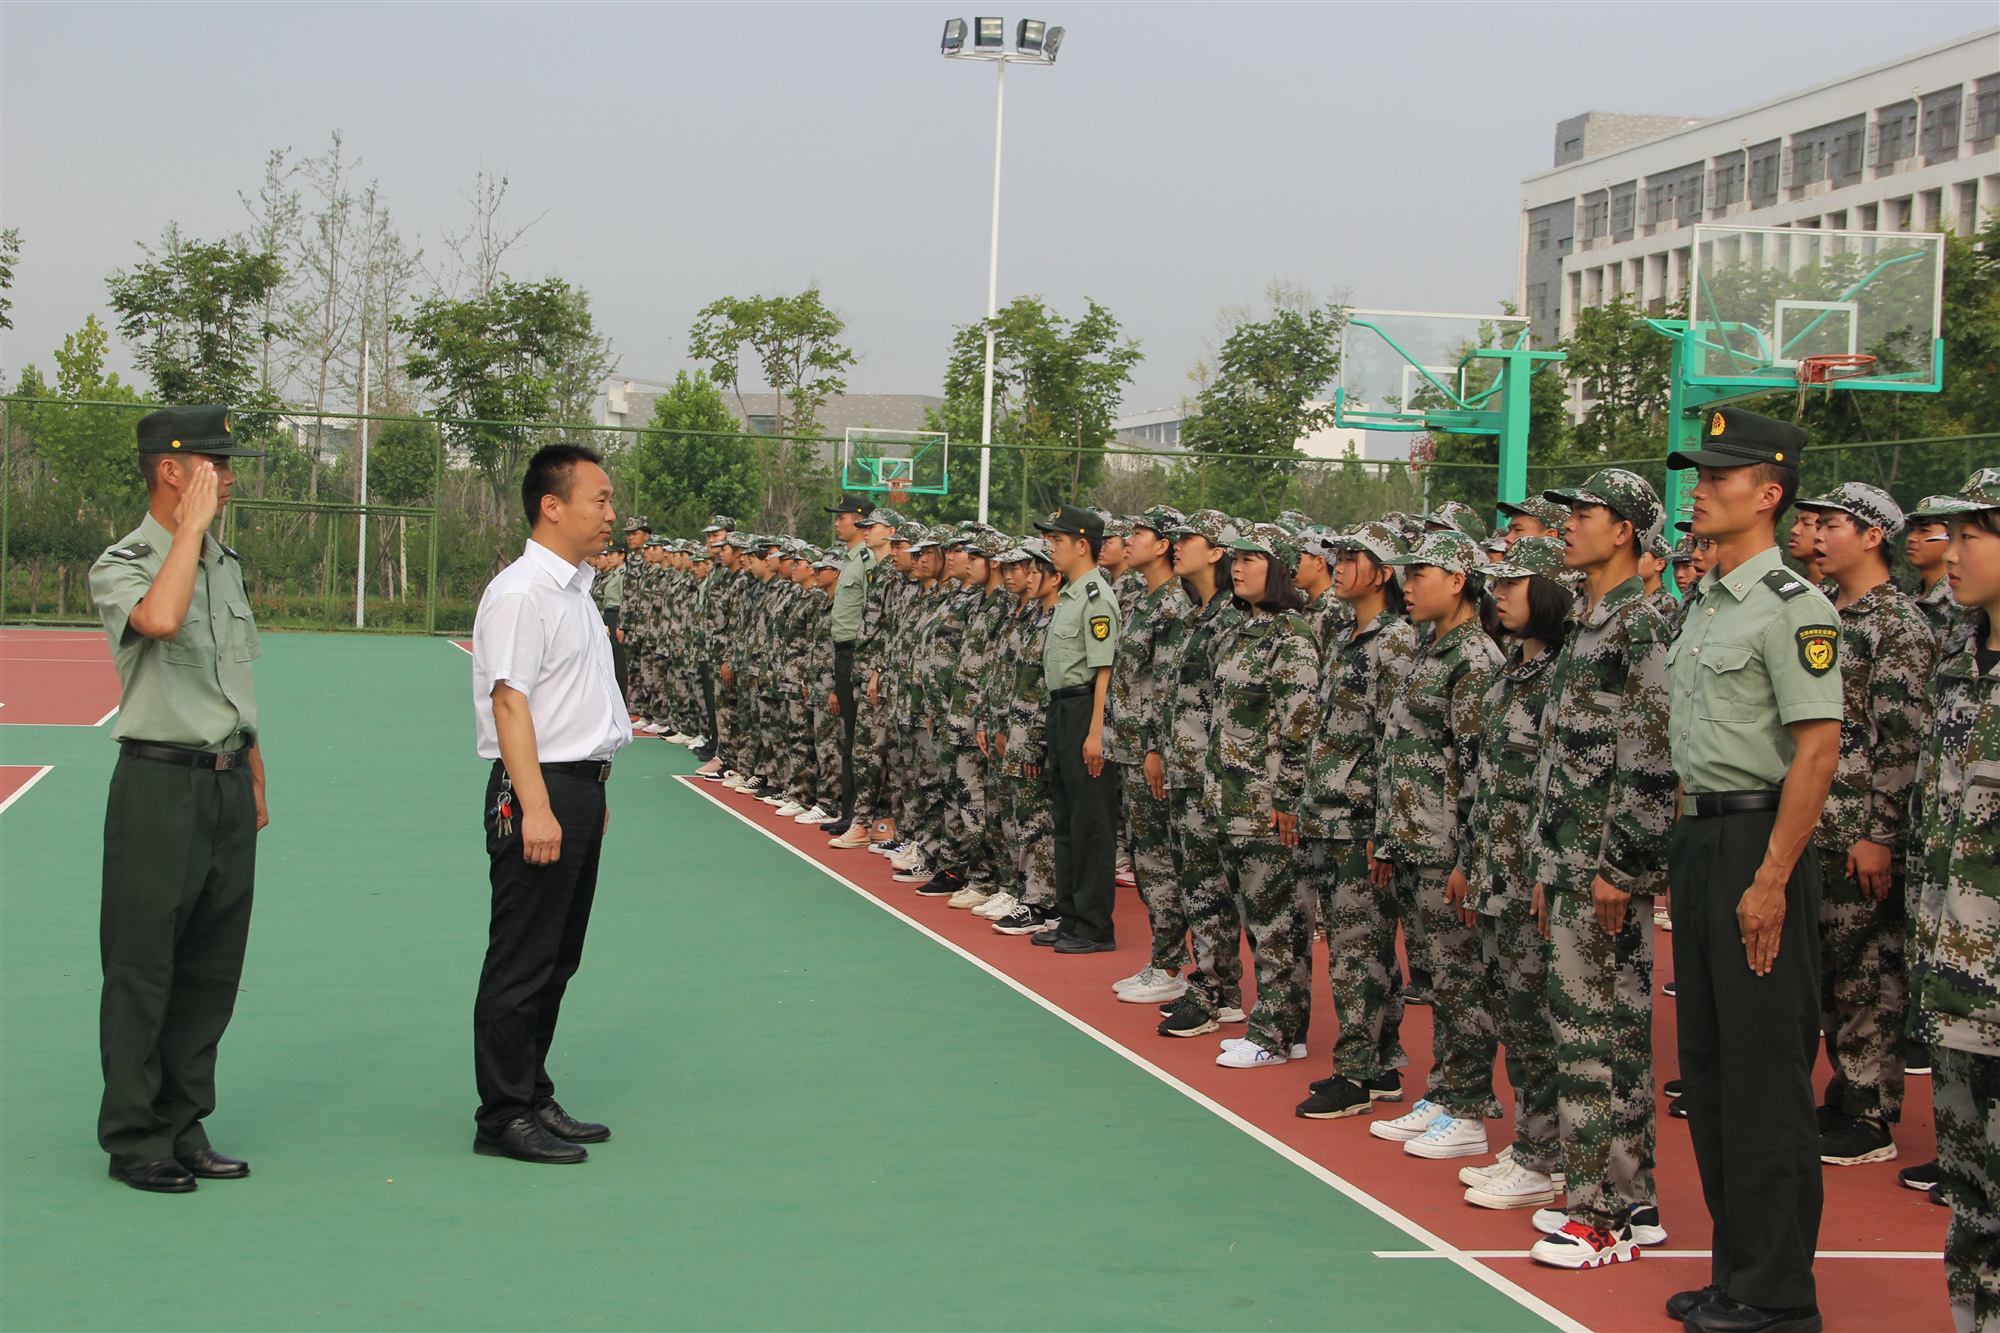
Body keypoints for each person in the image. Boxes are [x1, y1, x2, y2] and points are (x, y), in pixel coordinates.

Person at [1662, 406, 1843, 1333]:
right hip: (1700, 838)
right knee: (1710, 1067)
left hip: (1758, 842)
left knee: (1767, 1072)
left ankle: (1777, 1292)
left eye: (1719, 475)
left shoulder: (1794, 607)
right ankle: (1736, 1270)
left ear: (1768, 493)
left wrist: (1771, 877)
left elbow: (1815, 751)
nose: (1701, 487)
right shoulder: (1708, 601)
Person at [88, 405, 269, 1194]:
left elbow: (232, 676)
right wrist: (187, 532)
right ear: (172, 469)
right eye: (215, 463)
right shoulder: (124, 560)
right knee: (143, 966)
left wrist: (255, 767)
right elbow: (159, 619)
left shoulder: (224, 563)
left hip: (226, 783)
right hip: (158, 785)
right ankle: (134, 1135)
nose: (229, 477)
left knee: (209, 968)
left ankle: (183, 1122)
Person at [1523, 469, 1677, 1269]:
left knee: (1595, 1039)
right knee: (1604, 1032)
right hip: (1574, 860)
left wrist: (1621, 865)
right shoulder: (1589, 618)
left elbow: (1650, 758)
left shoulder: (1641, 623)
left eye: (1582, 513)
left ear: (1624, 529)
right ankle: (1630, 1193)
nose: (1568, 525)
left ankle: (1599, 1214)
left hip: (1605, 866)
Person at [468, 443, 630, 1165]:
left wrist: (591, 792)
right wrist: (537, 804)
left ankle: (532, 1091)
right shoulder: (523, 591)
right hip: (540, 787)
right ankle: (502, 1113)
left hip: (576, 788)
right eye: (599, 498)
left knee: (558, 958)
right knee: (522, 959)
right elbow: (511, 703)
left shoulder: (575, 591)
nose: (610, 512)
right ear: (551, 505)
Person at [1795, 484, 1936, 1171]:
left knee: (1868, 972)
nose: (1818, 535)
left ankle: (1870, 1109)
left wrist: (1881, 831)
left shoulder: (1897, 625)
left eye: (1832, 525)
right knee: (1828, 971)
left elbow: (1901, 740)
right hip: (1818, 825)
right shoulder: (1827, 613)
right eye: (1815, 524)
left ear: (1873, 535)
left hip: (1859, 830)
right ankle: (1844, 1091)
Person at [1368, 529, 1504, 1161]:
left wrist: (1466, 860)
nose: (1408, 584)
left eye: (1421, 573)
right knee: (1442, 978)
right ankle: (1446, 1091)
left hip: (1447, 846)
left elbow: (1478, 769)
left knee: (1461, 979)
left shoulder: (1474, 660)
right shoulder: (1431, 649)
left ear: (1458, 582)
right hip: (1415, 839)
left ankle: (1470, 1107)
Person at [1905, 467, 2000, 1333]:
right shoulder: (1961, 662)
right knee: (1973, 1206)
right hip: (1957, 986)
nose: (1951, 551)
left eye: (1974, 534)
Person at [1455, 535, 1568, 1209]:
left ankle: (1544, 1152)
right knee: (1511, 1010)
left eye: (1513, 583)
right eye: (1492, 583)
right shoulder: (1511, 670)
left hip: (1533, 874)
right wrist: (1472, 862)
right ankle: (1532, 1138)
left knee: (1536, 1016)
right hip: (1497, 867)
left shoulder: (1562, 673)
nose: (1496, 593)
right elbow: (1490, 779)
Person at [1293, 521, 1419, 1118]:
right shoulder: (1351, 633)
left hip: (1363, 820)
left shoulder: (1393, 643)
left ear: (1384, 572)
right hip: (1336, 814)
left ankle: (1357, 1074)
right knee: (1361, 946)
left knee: (1355, 949)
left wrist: (1385, 829)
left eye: (1352, 557)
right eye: (1335, 555)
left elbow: (1399, 743)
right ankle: (1381, 1063)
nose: (1337, 565)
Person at [1203, 526, 1322, 1067]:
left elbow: (1301, 726)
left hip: (1266, 804)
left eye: (1252, 559)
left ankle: (1274, 1034)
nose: (1238, 568)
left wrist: (1289, 799)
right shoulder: (1241, 630)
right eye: (1236, 559)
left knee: (1280, 925)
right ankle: (1284, 1027)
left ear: (1277, 569)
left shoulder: (1291, 637)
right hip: (1233, 800)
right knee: (1261, 920)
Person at [1103, 507, 1195, 1002]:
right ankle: (1164, 961)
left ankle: (1170, 966)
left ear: (1162, 544)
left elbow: (1170, 684)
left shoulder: (1175, 604)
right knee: (1147, 858)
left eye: (1137, 533)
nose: (1128, 540)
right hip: (1129, 746)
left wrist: (1156, 746)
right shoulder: (1143, 598)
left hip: (1150, 752)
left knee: (1161, 861)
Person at [1031, 505, 1122, 953]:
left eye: (1057, 540)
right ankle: (1070, 918)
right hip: (1061, 710)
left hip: (1086, 709)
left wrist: (1095, 731)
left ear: (1082, 545)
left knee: (1091, 824)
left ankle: (1093, 926)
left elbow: (1104, 669)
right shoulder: (1070, 595)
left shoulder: (1096, 598)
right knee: (1066, 819)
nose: (1051, 547)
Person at [1905, 494, 1962, 644]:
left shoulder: (1961, 602)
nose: (1912, 538)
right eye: (1911, 530)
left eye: (1924, 530)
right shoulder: (1907, 599)